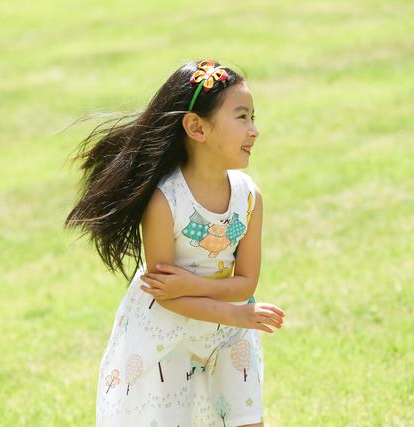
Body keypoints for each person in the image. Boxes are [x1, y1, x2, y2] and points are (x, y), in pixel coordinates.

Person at [65, 59, 286, 427]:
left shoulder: (249, 198)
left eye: (253, 117)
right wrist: (236, 312)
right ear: (196, 127)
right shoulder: (165, 201)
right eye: (242, 117)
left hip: (229, 331)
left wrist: (212, 298)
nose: (255, 130)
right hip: (169, 335)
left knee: (246, 419)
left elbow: (246, 283)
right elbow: (165, 292)